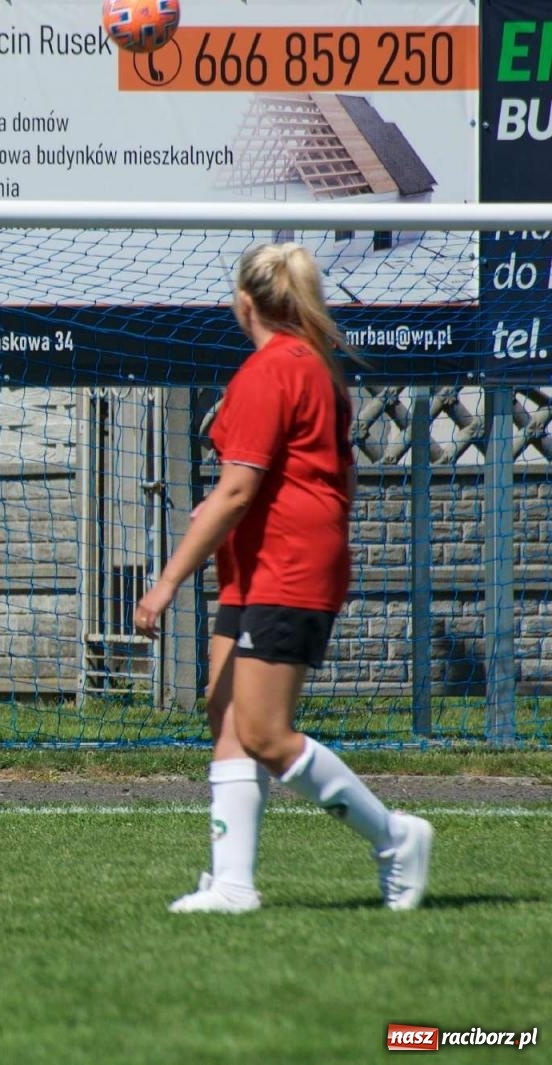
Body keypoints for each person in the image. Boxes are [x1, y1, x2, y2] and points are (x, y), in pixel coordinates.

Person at [133, 242, 432, 913]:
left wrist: (166, 582)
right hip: (262, 566)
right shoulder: (315, 369)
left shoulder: (272, 371)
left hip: (286, 566)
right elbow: (337, 476)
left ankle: (394, 837)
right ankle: (233, 883)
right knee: (227, 714)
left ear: (245, 303)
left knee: (266, 731)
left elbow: (236, 491)